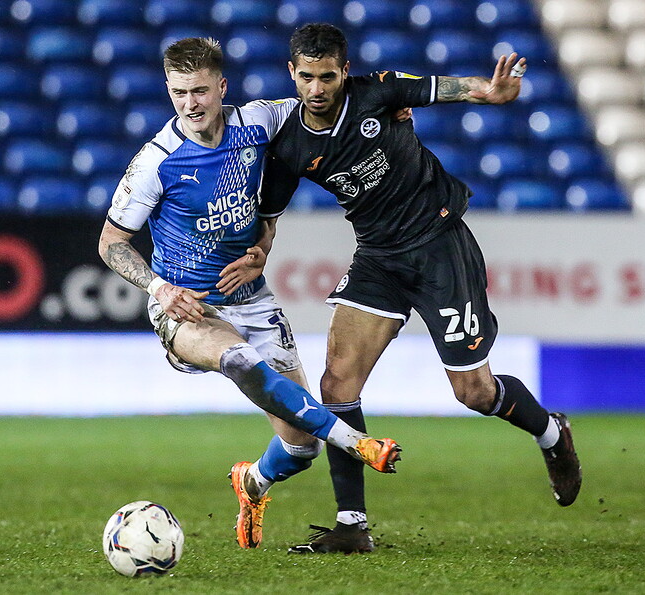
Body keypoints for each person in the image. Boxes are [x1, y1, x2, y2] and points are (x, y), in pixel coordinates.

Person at [258, 23, 582, 554]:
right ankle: (351, 525)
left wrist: (491, 92)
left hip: (439, 245)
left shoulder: (379, 91)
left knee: (472, 392)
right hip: (378, 259)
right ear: (292, 74)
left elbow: (448, 86)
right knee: (337, 384)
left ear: (345, 71)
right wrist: (259, 252)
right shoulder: (289, 144)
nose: (317, 89)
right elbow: (270, 213)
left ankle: (550, 433)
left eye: (328, 77)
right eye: (307, 77)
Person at [97, 37, 401, 550]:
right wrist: (159, 286)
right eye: (178, 93)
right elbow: (110, 243)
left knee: (299, 446)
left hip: (252, 297)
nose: (190, 104)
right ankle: (357, 441)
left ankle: (253, 482)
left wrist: (395, 100)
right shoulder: (157, 160)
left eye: (199, 91)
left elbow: (331, 97)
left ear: (222, 86)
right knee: (237, 359)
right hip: (187, 307)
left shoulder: (260, 122)